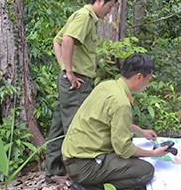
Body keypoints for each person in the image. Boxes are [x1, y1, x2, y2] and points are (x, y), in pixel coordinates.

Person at [62, 53, 171, 190]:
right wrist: (154, 154)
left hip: (73, 156)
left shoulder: (107, 86)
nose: (148, 83)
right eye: (148, 79)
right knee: (145, 170)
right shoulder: (121, 103)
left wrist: (141, 132)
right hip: (84, 165)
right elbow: (124, 149)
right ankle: (89, 187)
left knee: (134, 159)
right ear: (139, 77)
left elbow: (109, 119)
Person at [45, 0, 118, 184]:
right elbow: (66, 40)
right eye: (109, 7)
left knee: (59, 126)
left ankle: (54, 172)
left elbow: (57, 40)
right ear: (100, 1)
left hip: (73, 80)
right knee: (75, 129)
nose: (108, 12)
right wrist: (68, 72)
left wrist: (64, 69)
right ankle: (78, 176)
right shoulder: (85, 17)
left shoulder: (81, 16)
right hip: (77, 82)